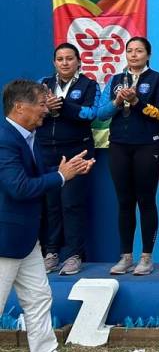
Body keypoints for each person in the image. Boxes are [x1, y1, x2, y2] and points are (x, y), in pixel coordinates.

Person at [0, 79, 94, 352]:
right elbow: (19, 188)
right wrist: (60, 177)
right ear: (19, 107)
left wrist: (65, 172)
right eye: (41, 103)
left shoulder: (30, 136)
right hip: (4, 239)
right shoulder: (4, 140)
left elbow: (32, 180)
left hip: (25, 238)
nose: (46, 109)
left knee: (39, 299)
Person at [94, 37, 159, 276]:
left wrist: (136, 101)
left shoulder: (158, 79)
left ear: (148, 54)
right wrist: (117, 101)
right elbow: (101, 114)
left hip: (148, 145)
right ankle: (126, 256)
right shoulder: (116, 80)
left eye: (139, 51)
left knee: (145, 200)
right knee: (124, 202)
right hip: (119, 145)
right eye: (130, 51)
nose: (134, 55)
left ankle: (146, 257)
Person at [36, 43, 98, 276]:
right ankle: (51, 253)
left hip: (76, 153)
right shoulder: (43, 83)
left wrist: (61, 106)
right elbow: (32, 110)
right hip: (46, 151)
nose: (64, 63)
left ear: (78, 61)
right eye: (60, 59)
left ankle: (74, 255)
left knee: (71, 204)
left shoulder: (89, 84)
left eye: (69, 58)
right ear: (54, 63)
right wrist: (46, 107)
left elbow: (90, 114)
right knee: (51, 205)